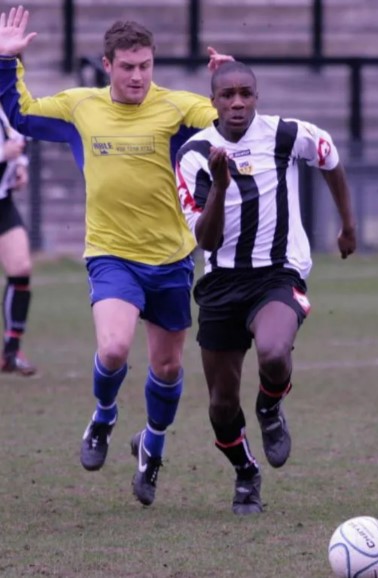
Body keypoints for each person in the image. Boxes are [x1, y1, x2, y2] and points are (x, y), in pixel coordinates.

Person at [0, 5, 232, 506]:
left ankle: (151, 446)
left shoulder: (176, 108)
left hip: (171, 259)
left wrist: (226, 85)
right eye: (127, 67)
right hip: (112, 255)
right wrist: (5, 61)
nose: (138, 76)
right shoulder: (81, 107)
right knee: (113, 349)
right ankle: (103, 418)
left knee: (168, 369)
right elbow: (21, 114)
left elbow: (229, 123)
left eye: (145, 65)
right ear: (107, 65)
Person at [176, 61, 357, 515]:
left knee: (275, 353)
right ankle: (245, 472)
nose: (238, 103)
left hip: (278, 273)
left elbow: (329, 156)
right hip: (220, 284)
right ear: (212, 102)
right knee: (220, 405)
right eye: (228, 96)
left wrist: (347, 225)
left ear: (257, 96)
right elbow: (207, 239)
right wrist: (219, 186)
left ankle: (270, 408)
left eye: (246, 94)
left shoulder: (285, 134)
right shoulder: (195, 154)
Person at [0, 104, 36, 375]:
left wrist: (20, 165)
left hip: (3, 202)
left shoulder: (5, 103)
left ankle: (11, 350)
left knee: (21, 267)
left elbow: (16, 137)